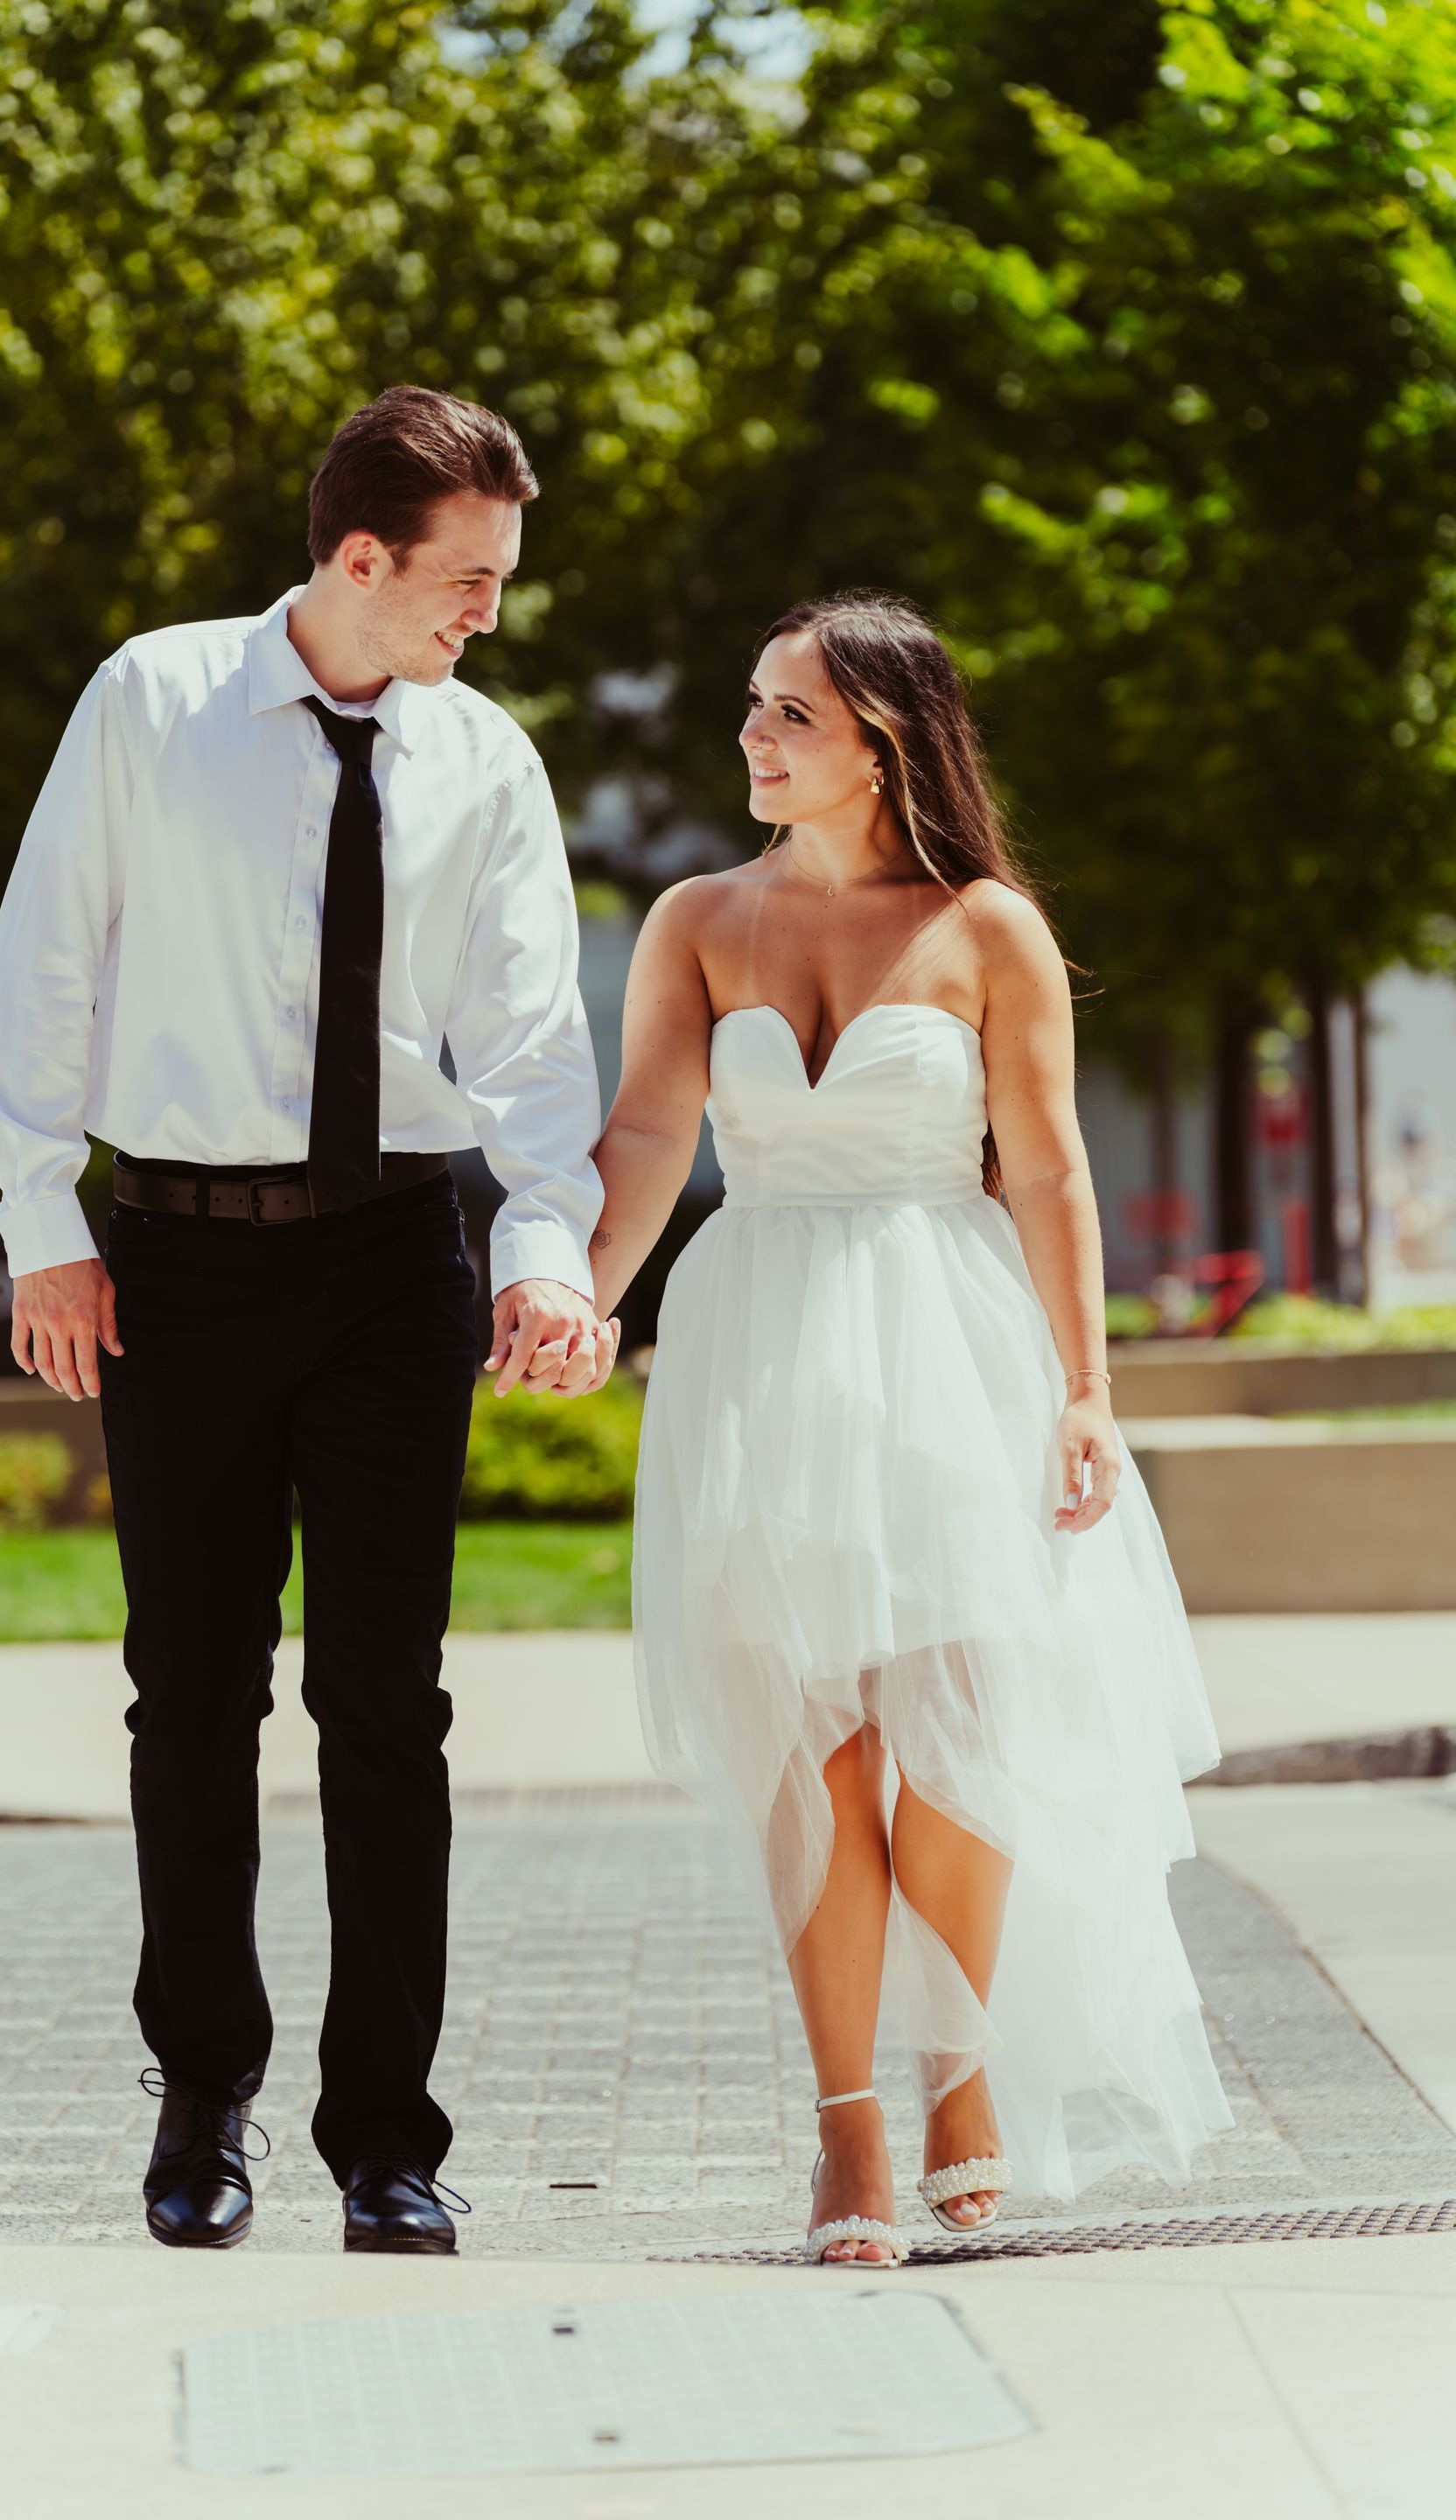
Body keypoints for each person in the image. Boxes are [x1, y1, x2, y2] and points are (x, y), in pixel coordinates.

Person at [0, 387, 612, 2256]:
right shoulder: (150, 706)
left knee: (386, 1706)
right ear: (358, 558)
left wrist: (544, 1250)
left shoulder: (484, 761)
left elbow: (531, 1047)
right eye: (467, 579)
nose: (487, 611)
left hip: (394, 1264)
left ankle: (387, 2136)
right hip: (171, 1266)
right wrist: (43, 1232)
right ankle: (202, 2103)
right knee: (190, 1695)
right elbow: (42, 979)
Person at [588, 592, 1231, 2265]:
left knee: (952, 1726)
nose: (752, 735)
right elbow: (654, 1128)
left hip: (948, 1346)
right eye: (751, 706)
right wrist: (585, 1293)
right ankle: (847, 2133)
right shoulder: (697, 920)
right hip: (757, 1346)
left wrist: (1088, 1387)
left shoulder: (986, 929)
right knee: (813, 1747)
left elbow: (1052, 1170)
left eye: (787, 714)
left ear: (883, 738)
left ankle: (960, 2074)